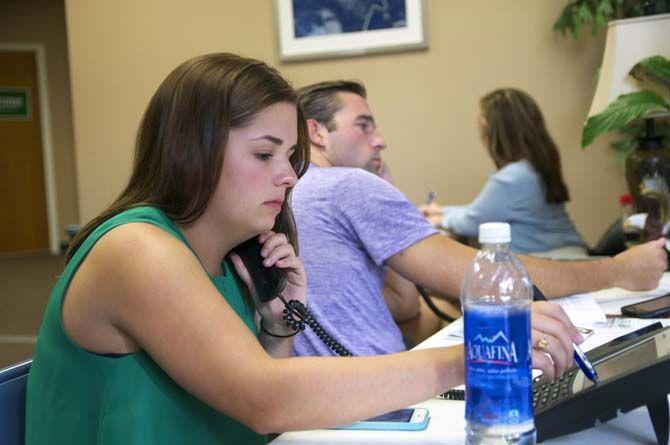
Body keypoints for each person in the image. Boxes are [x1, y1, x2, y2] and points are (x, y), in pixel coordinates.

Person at [24, 54, 577, 444]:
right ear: (191, 149)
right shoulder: (137, 249)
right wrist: (474, 356)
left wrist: (278, 325)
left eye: (291, 156)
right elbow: (265, 400)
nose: (288, 176)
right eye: (264, 154)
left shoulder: (226, 262)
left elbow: (258, 418)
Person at [292, 79, 667, 358]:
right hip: (376, 395)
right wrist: (617, 270)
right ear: (316, 132)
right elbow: (488, 276)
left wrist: (387, 190)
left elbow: (403, 305)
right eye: (364, 125)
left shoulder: (296, 190)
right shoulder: (344, 186)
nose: (380, 141)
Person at [420, 88, 586, 256]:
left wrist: (441, 218)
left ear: (494, 135)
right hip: (566, 253)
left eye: (481, 130)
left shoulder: (513, 177)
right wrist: (441, 211)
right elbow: (480, 211)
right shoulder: (533, 167)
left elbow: (473, 222)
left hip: (551, 259)